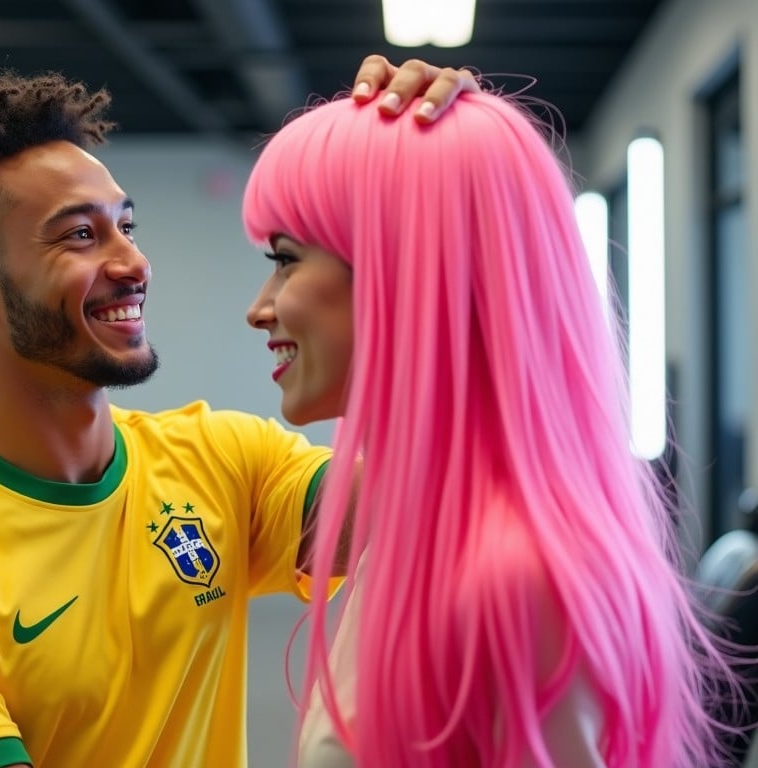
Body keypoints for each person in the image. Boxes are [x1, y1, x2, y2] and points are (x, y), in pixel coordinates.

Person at [0, 58, 477, 768]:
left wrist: (445, 180)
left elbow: (438, 502)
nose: (133, 261)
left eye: (126, 226)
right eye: (80, 235)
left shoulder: (220, 458)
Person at [242, 93, 739, 766]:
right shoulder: (415, 535)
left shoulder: (513, 578)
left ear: (404, 265)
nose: (259, 308)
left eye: (286, 259)